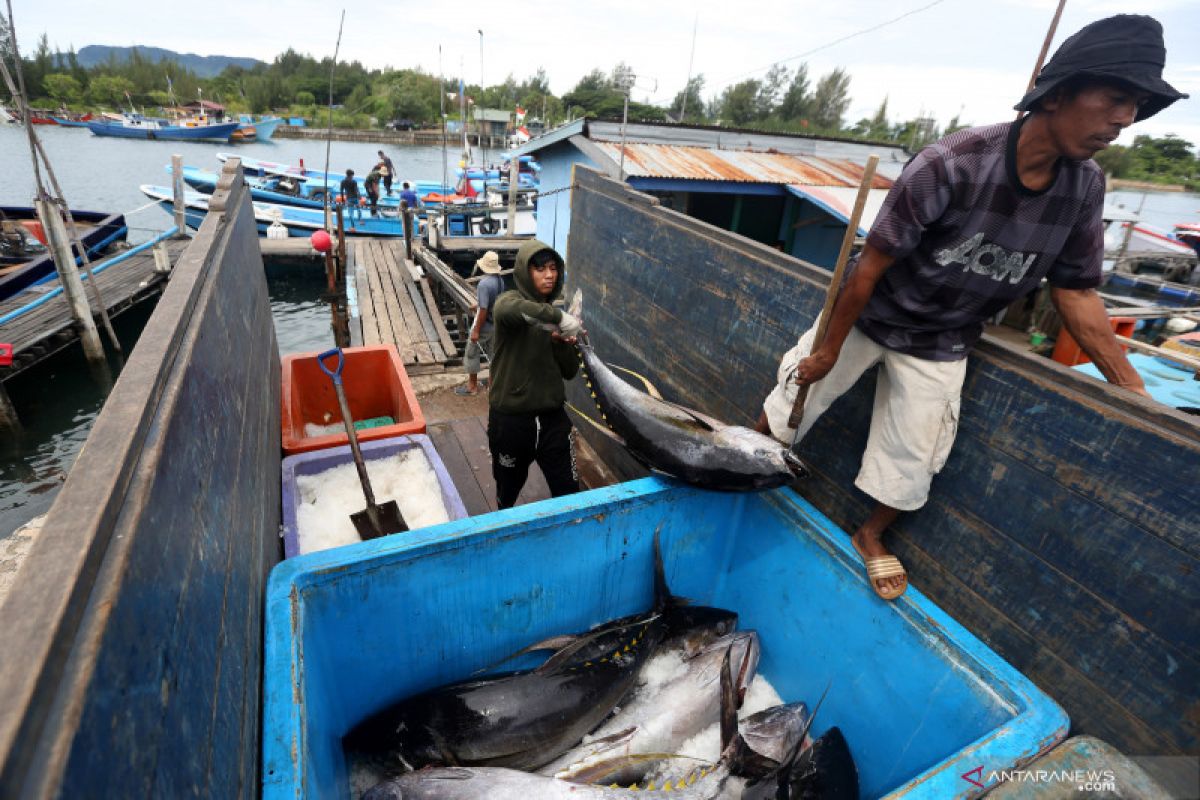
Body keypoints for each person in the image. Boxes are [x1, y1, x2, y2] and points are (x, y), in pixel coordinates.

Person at [756, 14, 1184, 601]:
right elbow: (870, 266)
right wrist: (829, 348)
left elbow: (1077, 292)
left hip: (945, 338)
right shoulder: (952, 162)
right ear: (1057, 95)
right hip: (873, 314)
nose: (1125, 120)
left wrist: (1130, 388)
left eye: (1135, 105)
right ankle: (741, 468)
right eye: (1115, 98)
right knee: (789, 404)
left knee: (915, 459)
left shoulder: (1086, 188)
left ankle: (870, 536)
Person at [487, 240, 585, 509]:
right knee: (507, 488)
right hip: (512, 419)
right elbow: (505, 311)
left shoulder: (559, 321)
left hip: (552, 417)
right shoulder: (510, 301)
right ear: (525, 273)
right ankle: (502, 523)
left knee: (568, 490)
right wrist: (558, 317)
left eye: (553, 268)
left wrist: (561, 341)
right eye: (540, 269)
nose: (549, 275)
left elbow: (569, 371)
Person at [456, 250, 506, 396]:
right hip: (496, 324)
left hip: (484, 325)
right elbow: (492, 303)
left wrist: (476, 330)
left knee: (471, 352)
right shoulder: (500, 281)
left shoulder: (484, 284)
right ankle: (492, 386)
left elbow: (483, 310)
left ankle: (472, 386)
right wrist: (477, 305)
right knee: (493, 356)